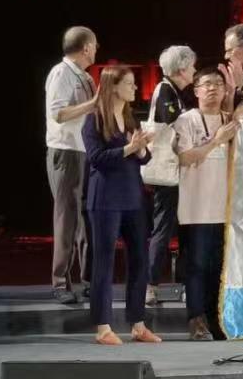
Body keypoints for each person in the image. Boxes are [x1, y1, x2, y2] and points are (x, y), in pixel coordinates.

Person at [82, 65, 160, 346]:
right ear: (113, 86)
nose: (135, 87)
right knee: (104, 261)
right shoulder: (94, 120)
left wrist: (142, 148)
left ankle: (138, 324)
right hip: (105, 198)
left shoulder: (129, 118)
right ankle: (103, 327)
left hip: (133, 196)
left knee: (139, 259)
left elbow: (144, 158)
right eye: (129, 83)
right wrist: (129, 148)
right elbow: (97, 158)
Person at [174, 68, 240, 340]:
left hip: (227, 210)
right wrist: (216, 141)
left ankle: (217, 319)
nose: (213, 88)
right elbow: (185, 157)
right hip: (196, 208)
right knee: (198, 266)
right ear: (196, 90)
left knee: (220, 267)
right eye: (207, 84)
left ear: (225, 90)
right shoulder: (186, 120)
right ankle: (196, 319)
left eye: (218, 84)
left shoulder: (232, 120)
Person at [44, 25, 99, 304]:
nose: (96, 50)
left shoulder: (85, 76)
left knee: (86, 219)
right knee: (67, 218)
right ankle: (60, 283)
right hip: (66, 153)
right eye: (95, 45)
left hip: (86, 151)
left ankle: (89, 279)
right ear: (86, 47)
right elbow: (59, 114)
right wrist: (92, 104)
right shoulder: (61, 73)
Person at [145, 45, 196, 307]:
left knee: (185, 228)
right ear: (181, 68)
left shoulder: (174, 91)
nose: (195, 70)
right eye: (192, 66)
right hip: (168, 173)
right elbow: (173, 120)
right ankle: (150, 285)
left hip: (180, 170)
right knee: (163, 228)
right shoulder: (165, 90)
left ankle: (186, 284)